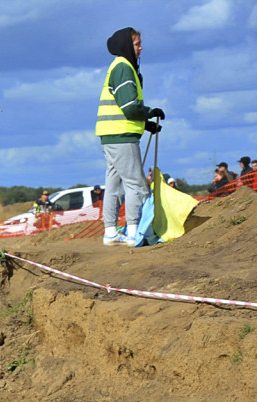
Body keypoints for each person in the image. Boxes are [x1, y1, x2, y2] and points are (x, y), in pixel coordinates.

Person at [96, 27, 165, 247]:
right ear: (127, 45)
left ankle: (110, 233)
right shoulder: (124, 68)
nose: (141, 47)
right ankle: (136, 232)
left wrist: (145, 125)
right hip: (122, 135)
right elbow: (129, 107)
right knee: (137, 185)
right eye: (137, 44)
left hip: (110, 135)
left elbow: (124, 107)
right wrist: (150, 113)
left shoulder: (118, 66)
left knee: (114, 185)